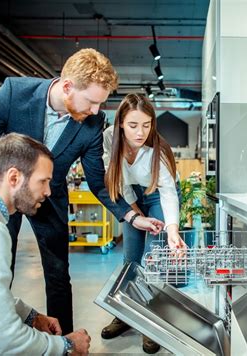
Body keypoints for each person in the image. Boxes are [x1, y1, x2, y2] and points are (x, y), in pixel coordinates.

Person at [0, 48, 164, 334]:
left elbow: (98, 181)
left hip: (51, 197)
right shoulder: (14, 92)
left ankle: (67, 344)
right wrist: (7, 185)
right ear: (68, 86)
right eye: (92, 102)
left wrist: (132, 217)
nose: (96, 111)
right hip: (3, 195)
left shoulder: (92, 123)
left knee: (58, 273)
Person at [0, 133, 91, 355]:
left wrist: (31, 316)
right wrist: (66, 346)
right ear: (14, 178)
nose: (48, 191)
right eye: (43, 181)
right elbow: (4, 342)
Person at [100, 93, 187, 354]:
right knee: (131, 259)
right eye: (133, 125)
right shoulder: (108, 138)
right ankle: (126, 316)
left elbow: (169, 192)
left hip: (158, 194)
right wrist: (135, 214)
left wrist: (172, 230)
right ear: (120, 124)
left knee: (153, 259)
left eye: (147, 125)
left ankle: (151, 322)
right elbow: (116, 180)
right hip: (131, 195)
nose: (140, 132)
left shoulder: (156, 150)